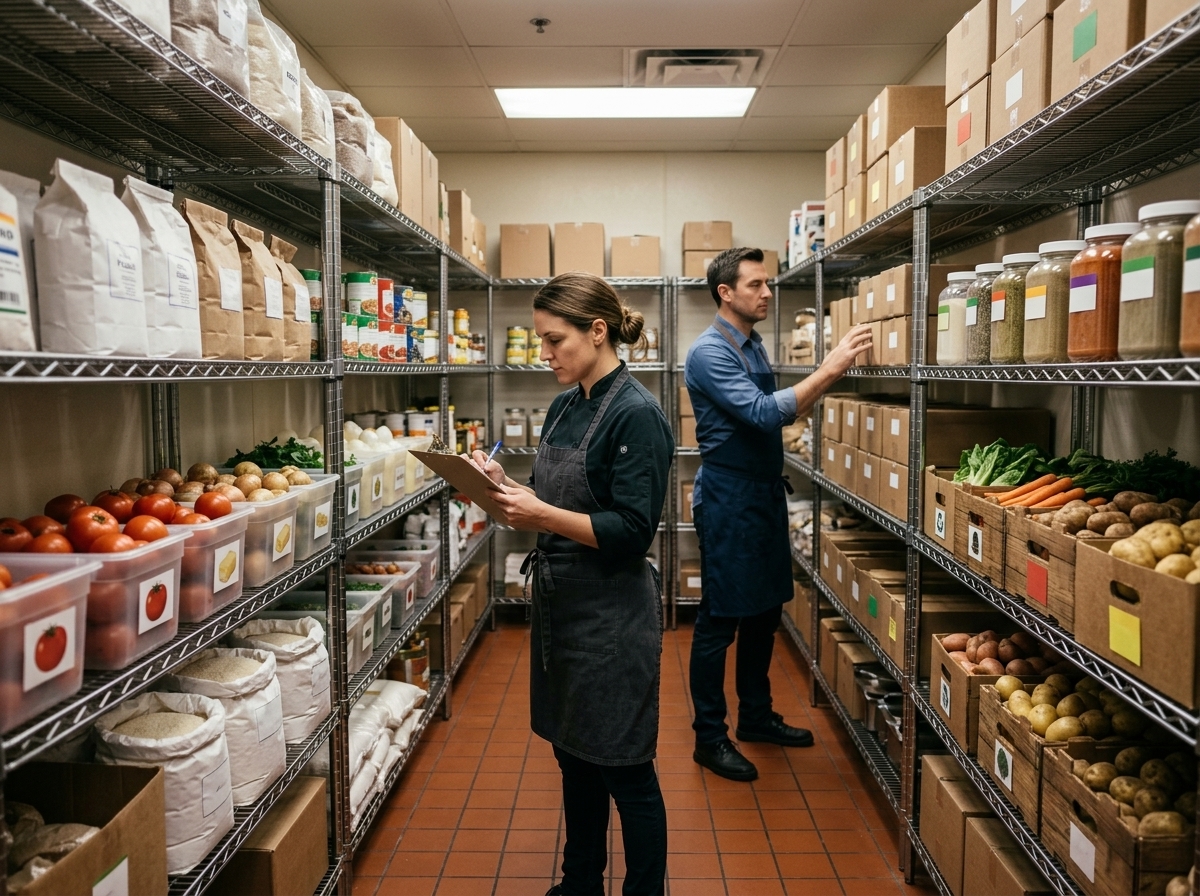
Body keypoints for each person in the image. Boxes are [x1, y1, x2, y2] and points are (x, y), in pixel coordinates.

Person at [471, 272, 674, 896]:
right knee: (574, 756)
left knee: (627, 771)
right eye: (539, 340)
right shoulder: (564, 405)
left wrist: (541, 516)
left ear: (597, 330)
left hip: (611, 616)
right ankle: (580, 880)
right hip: (563, 607)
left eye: (554, 339)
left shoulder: (637, 415)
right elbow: (558, 498)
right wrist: (504, 487)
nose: (545, 353)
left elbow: (633, 530)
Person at [685, 247, 872, 782]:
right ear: (726, 293)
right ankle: (709, 738)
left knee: (766, 611)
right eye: (756, 285)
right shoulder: (709, 353)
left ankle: (757, 717)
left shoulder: (754, 344)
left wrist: (825, 380)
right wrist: (830, 366)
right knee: (721, 619)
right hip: (728, 499)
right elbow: (765, 412)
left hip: (762, 493)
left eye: (767, 284)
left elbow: (782, 414)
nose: (768, 293)